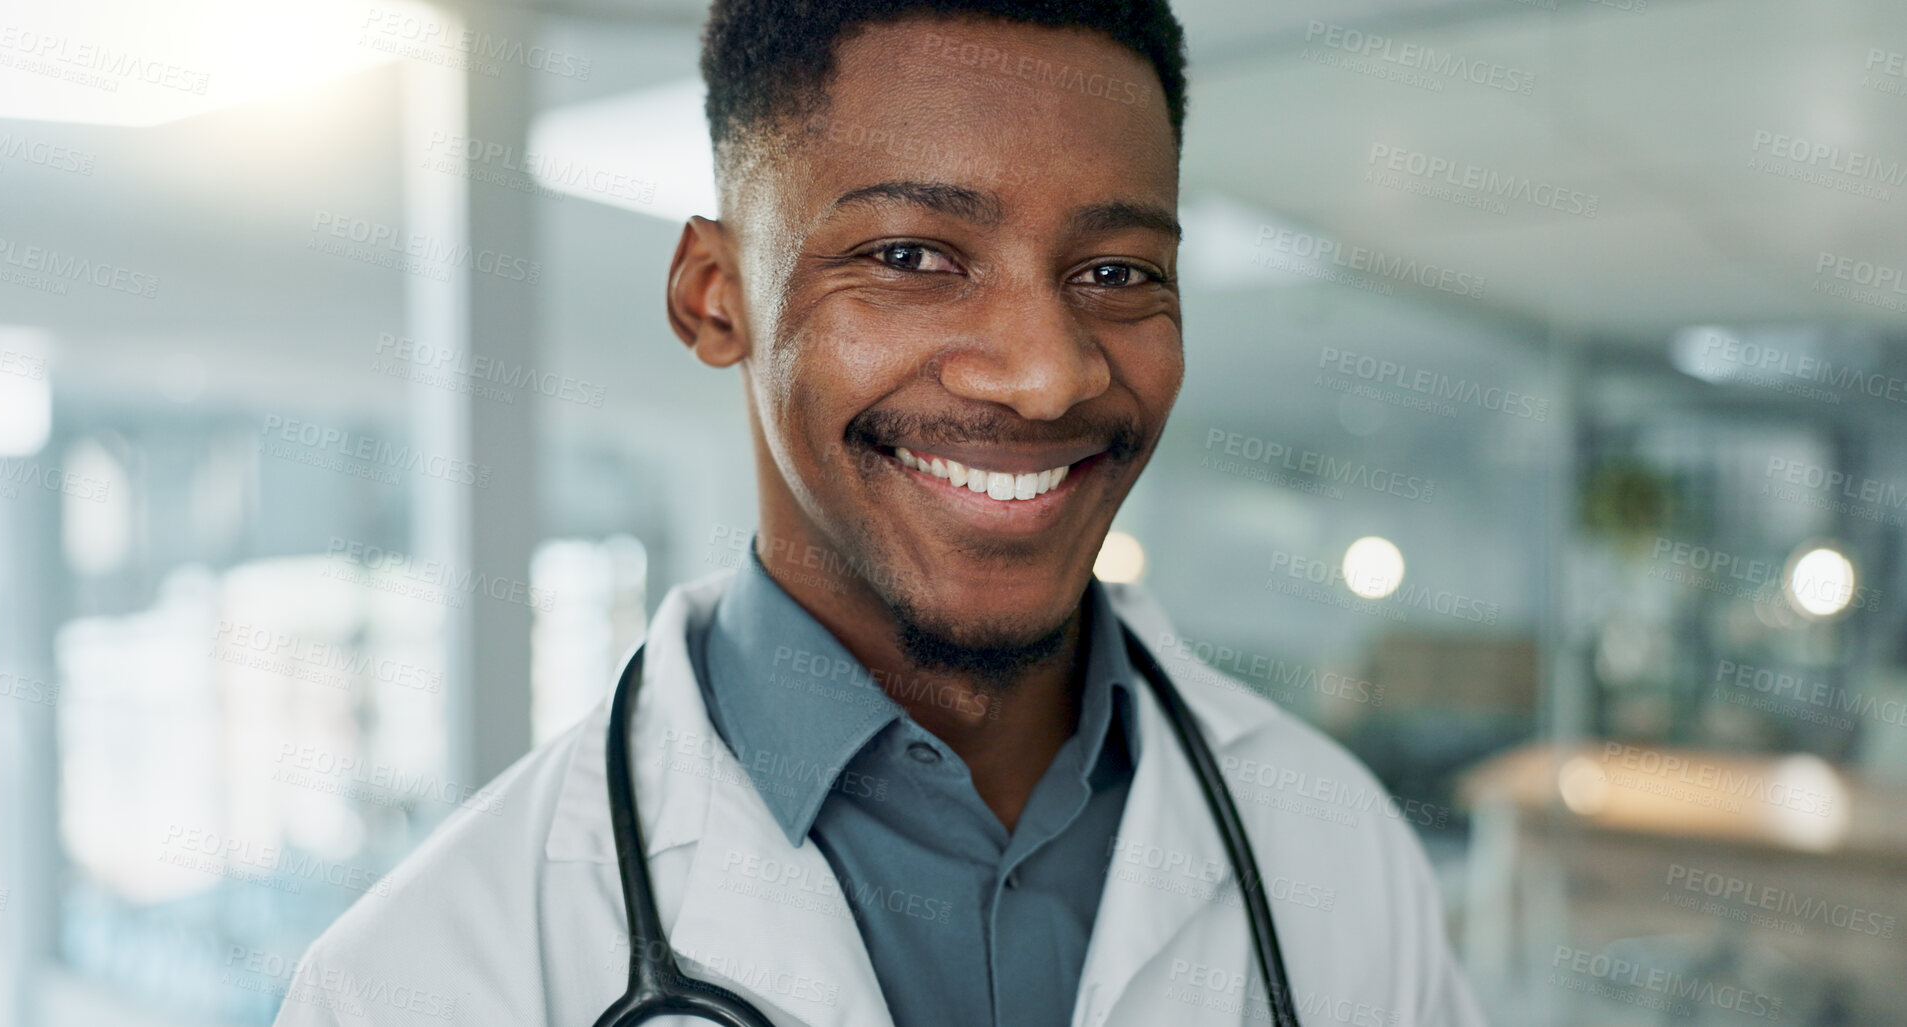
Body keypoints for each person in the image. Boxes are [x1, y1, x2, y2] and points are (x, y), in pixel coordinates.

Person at [274, 1, 1487, 1024]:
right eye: (912, 255)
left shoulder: (1336, 854)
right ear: (715, 297)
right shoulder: (418, 977)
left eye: (1116, 273)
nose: (1046, 372)